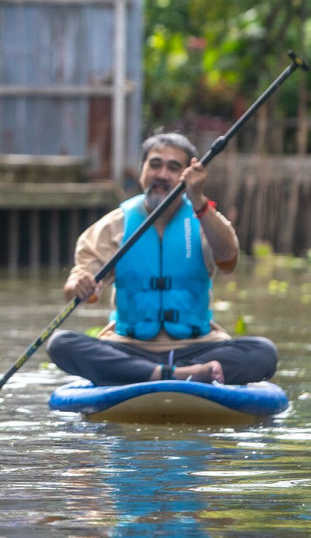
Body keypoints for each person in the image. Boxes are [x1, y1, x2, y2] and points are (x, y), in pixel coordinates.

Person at [46, 132, 278, 386]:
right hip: (129, 347)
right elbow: (79, 288)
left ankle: (159, 374)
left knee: (263, 352)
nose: (162, 174)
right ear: (142, 170)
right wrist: (79, 285)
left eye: (173, 167)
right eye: (155, 165)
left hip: (198, 347)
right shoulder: (113, 226)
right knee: (61, 343)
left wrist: (199, 202)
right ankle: (170, 375)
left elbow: (228, 258)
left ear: (187, 175)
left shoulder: (204, 220)